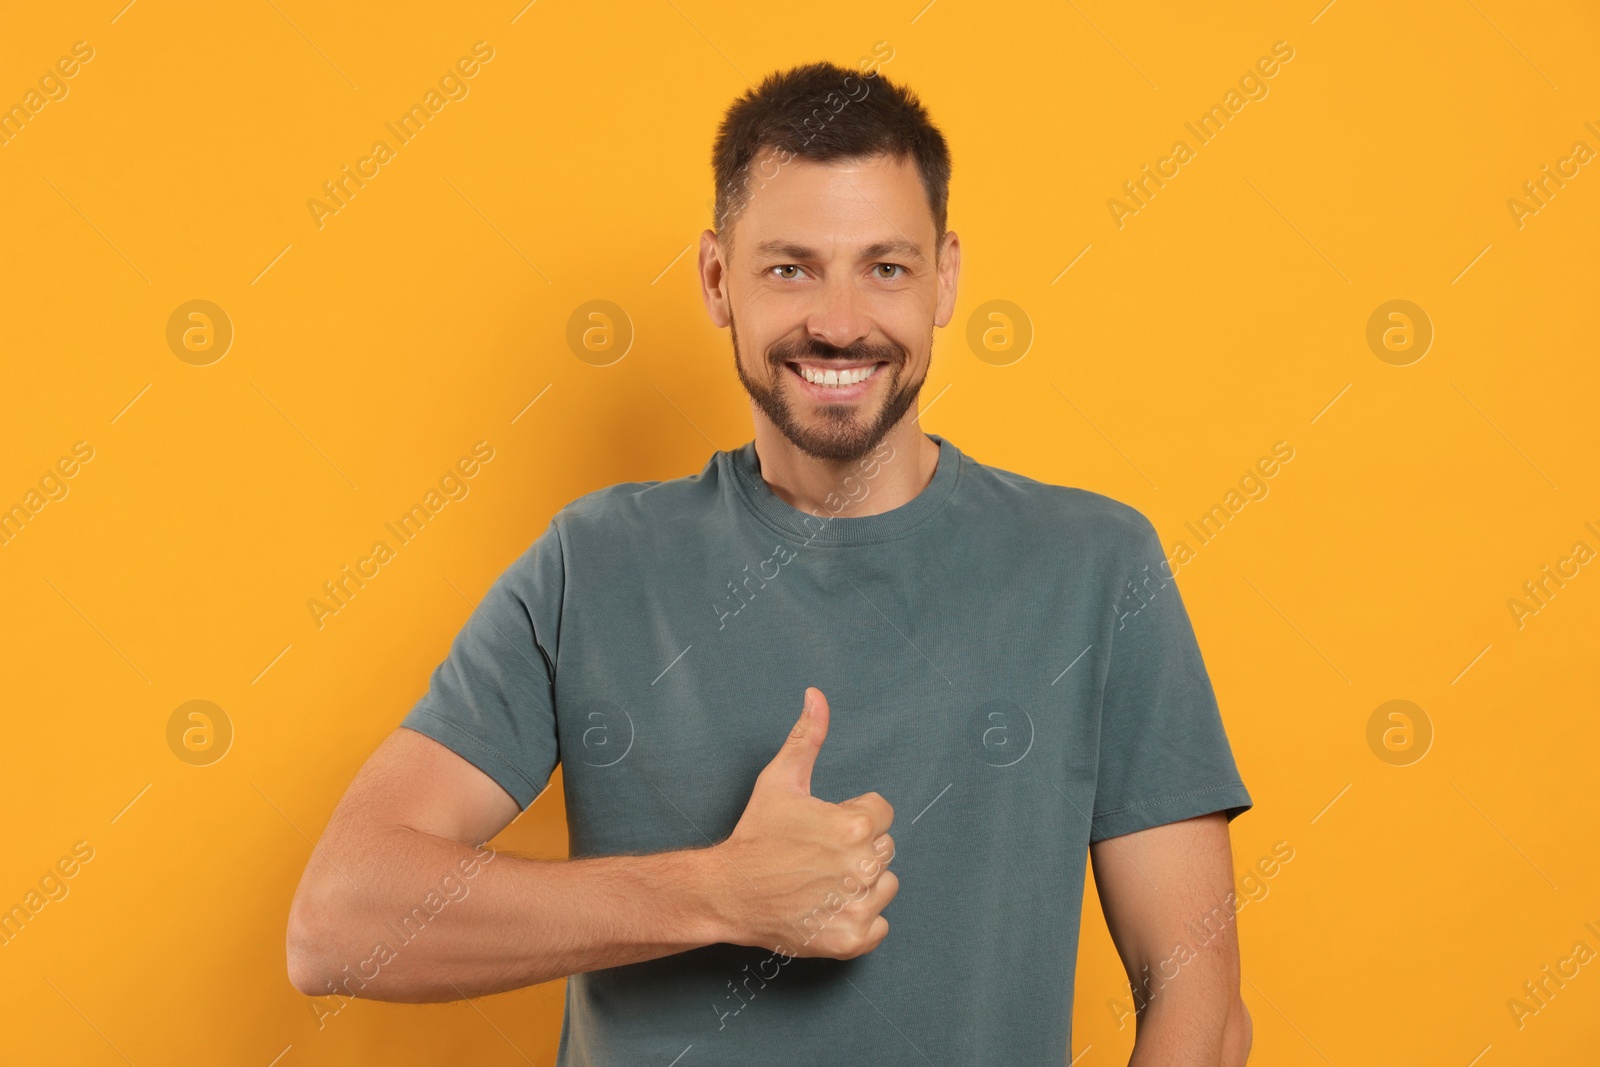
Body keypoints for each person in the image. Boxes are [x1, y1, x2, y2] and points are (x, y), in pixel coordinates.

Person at [287, 59, 1255, 1065]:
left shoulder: (1092, 566)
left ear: (946, 278)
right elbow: (339, 920)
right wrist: (715, 893)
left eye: (884, 266)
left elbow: (1201, 1009)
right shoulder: (596, 563)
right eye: (790, 266)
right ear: (716, 279)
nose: (839, 321)